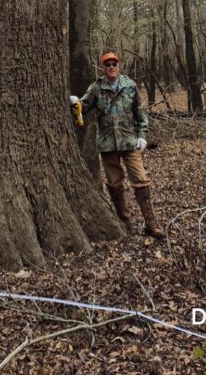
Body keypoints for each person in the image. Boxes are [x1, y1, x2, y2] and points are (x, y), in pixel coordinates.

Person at [70, 51, 163, 238]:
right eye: (107, 64)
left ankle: (151, 223)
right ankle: (125, 222)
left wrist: (142, 135)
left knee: (140, 180)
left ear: (119, 66)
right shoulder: (96, 88)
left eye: (114, 64)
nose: (111, 67)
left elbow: (140, 112)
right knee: (115, 183)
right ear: (103, 67)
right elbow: (84, 107)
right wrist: (76, 103)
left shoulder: (130, 86)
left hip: (129, 142)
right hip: (107, 144)